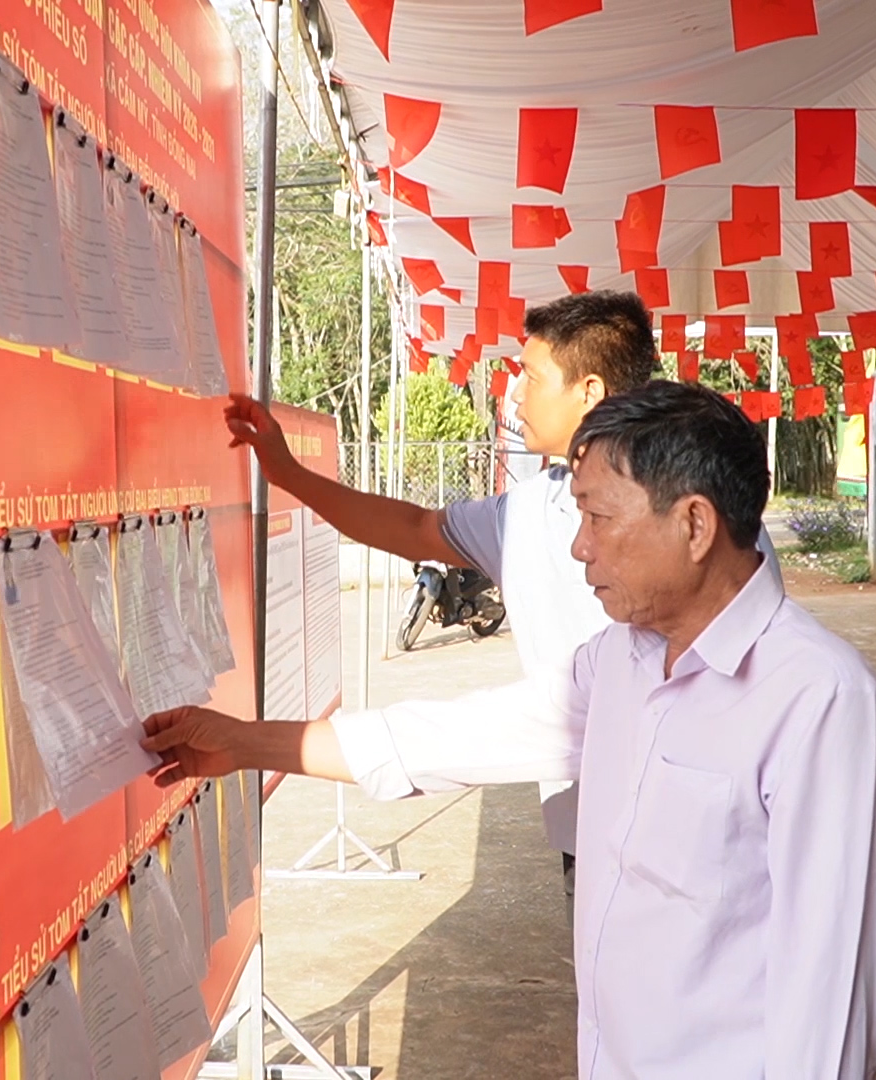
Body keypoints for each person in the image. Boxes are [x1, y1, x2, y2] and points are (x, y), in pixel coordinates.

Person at [153, 382, 876, 1079]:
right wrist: (246, 744)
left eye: (597, 517)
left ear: (694, 524)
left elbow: (827, 1022)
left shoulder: (823, 706)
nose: (581, 546)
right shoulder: (621, 661)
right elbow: (456, 736)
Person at [223, 290, 660, 907]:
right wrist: (288, 474)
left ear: (588, 391)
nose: (516, 394)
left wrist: (247, 743)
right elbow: (414, 529)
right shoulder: (529, 511)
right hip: (587, 832)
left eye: (532, 376)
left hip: (674, 824)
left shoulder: (678, 508)